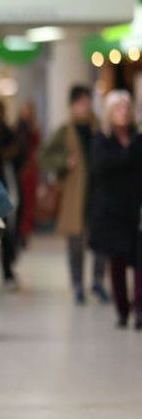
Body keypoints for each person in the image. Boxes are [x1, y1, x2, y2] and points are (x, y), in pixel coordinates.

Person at [40, 86, 110, 305]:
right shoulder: (66, 130)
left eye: (87, 102)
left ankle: (98, 281)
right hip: (75, 194)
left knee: (101, 241)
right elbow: (44, 156)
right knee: (76, 243)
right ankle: (78, 285)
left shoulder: (100, 128)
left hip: (99, 193)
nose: (84, 107)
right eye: (80, 103)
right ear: (72, 105)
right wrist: (64, 161)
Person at [89, 90, 142, 329]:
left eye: (127, 107)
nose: (124, 111)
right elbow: (103, 168)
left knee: (139, 262)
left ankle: (139, 308)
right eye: (118, 107)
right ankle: (123, 309)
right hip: (111, 212)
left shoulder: (137, 138)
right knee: (118, 264)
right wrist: (127, 155)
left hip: (136, 209)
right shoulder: (102, 140)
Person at [0, 97, 22, 290]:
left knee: (6, 231)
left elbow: (18, 154)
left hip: (5, 188)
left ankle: (7, 270)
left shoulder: (9, 132)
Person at [16, 102, 41, 244]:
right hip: (25, 168)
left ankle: (27, 230)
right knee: (24, 201)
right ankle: (23, 232)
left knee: (30, 201)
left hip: (32, 167)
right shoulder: (21, 128)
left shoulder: (32, 127)